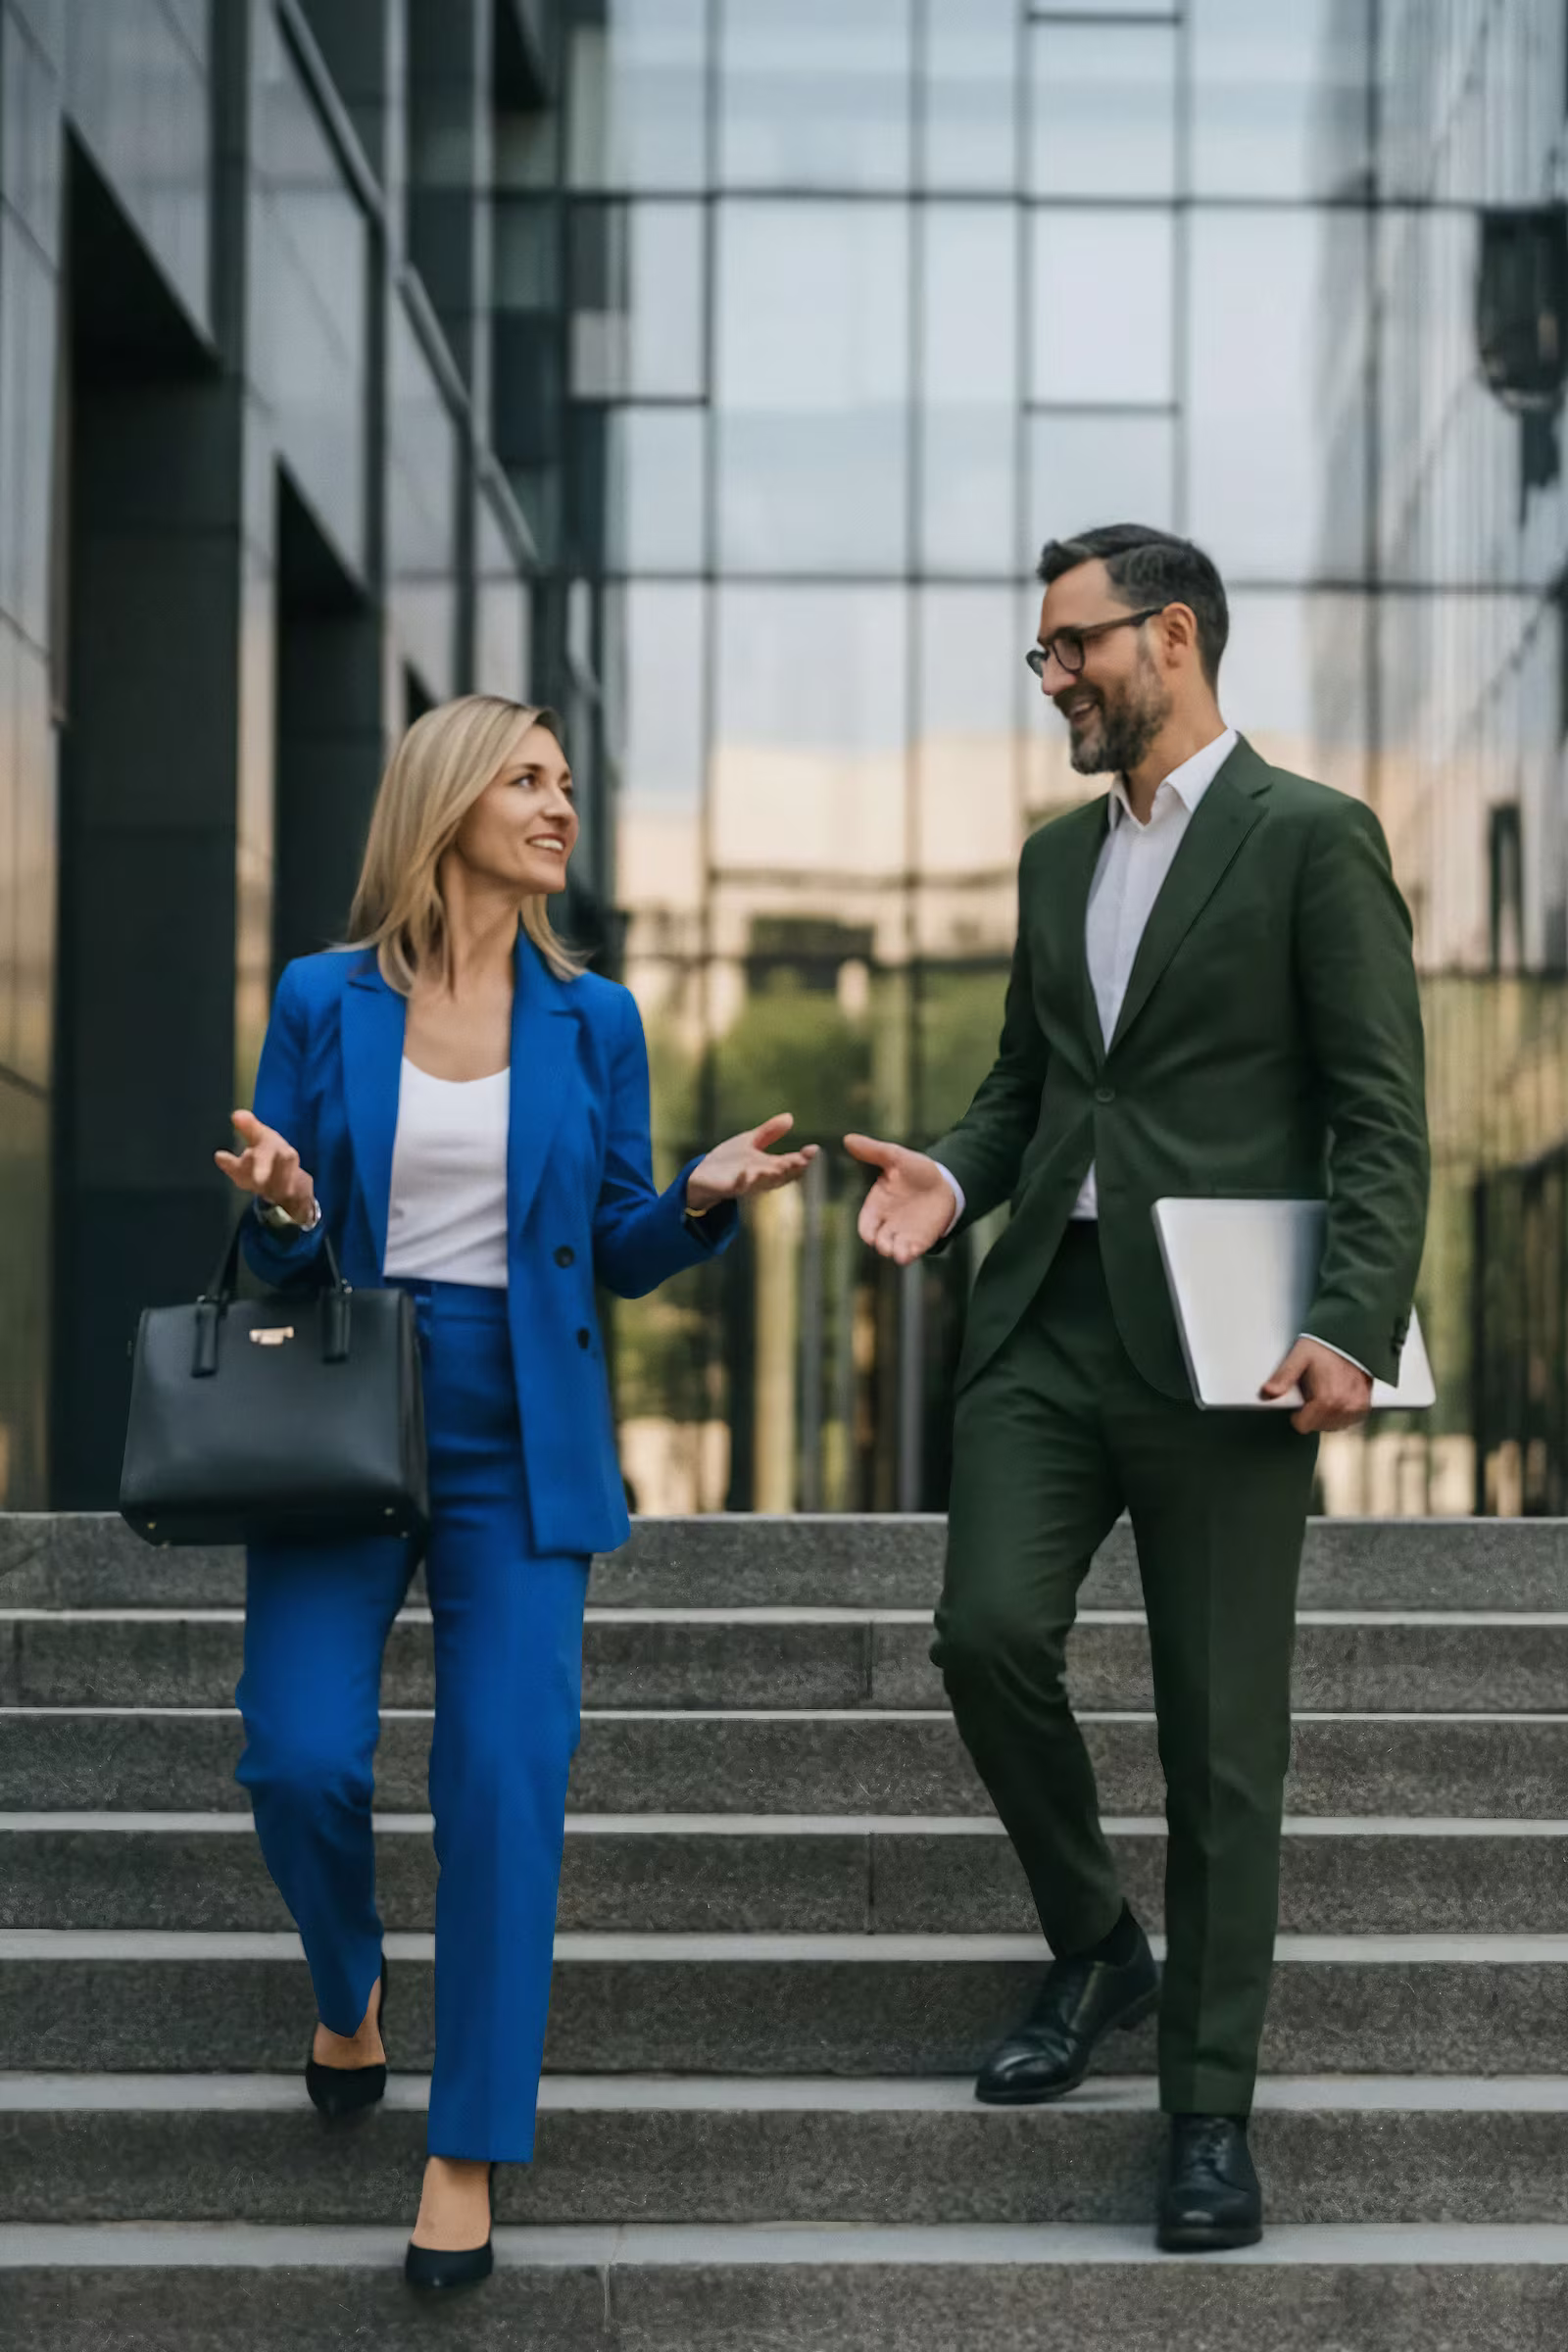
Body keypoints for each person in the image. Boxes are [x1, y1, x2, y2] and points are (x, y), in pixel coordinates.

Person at [846, 526, 1429, 2253]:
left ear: (1171, 635)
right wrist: (952, 1179)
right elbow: (1023, 1090)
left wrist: (1354, 1319)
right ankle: (1100, 1941)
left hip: (1236, 1345)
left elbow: (1382, 1110)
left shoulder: (1315, 840)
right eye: (1042, 659)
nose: (1055, 683)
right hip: (1051, 1325)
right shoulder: (1052, 861)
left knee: (1221, 1738)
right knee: (984, 1633)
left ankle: (1206, 2110)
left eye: (1071, 649)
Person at [216, 695, 815, 2291]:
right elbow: (286, 1231)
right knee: (295, 1758)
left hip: (523, 1432)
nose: (561, 807)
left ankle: (467, 2146)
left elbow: (612, 1243)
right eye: (529, 781)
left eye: (566, 784)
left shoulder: (594, 1019)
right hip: (345, 1412)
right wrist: (283, 1206)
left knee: (500, 1782)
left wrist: (689, 1202)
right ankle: (349, 1997)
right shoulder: (319, 999)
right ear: (447, 802)